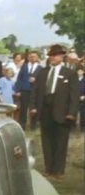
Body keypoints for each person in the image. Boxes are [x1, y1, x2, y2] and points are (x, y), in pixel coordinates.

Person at [30, 44, 79, 180]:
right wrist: (33, 106)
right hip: (45, 110)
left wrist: (72, 112)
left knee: (61, 142)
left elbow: (74, 96)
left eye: (55, 55)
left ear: (62, 57)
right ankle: (49, 168)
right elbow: (35, 91)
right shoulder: (43, 72)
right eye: (51, 55)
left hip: (62, 112)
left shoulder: (69, 73)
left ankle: (59, 170)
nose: (53, 58)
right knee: (47, 140)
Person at [15, 50, 42, 130]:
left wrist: (36, 79)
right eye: (31, 56)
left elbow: (42, 80)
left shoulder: (40, 68)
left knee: (34, 109)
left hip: (35, 91)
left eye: (34, 56)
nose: (33, 58)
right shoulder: (25, 66)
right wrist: (18, 90)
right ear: (29, 57)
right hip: (24, 90)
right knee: (23, 108)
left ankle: (33, 126)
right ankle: (22, 126)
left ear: (37, 58)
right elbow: (19, 78)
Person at [78, 67, 85, 134]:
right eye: (78, 71)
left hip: (83, 99)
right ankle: (72, 127)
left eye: (80, 71)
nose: (79, 72)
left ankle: (82, 127)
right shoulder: (75, 80)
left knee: (83, 114)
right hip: (75, 99)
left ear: (83, 72)